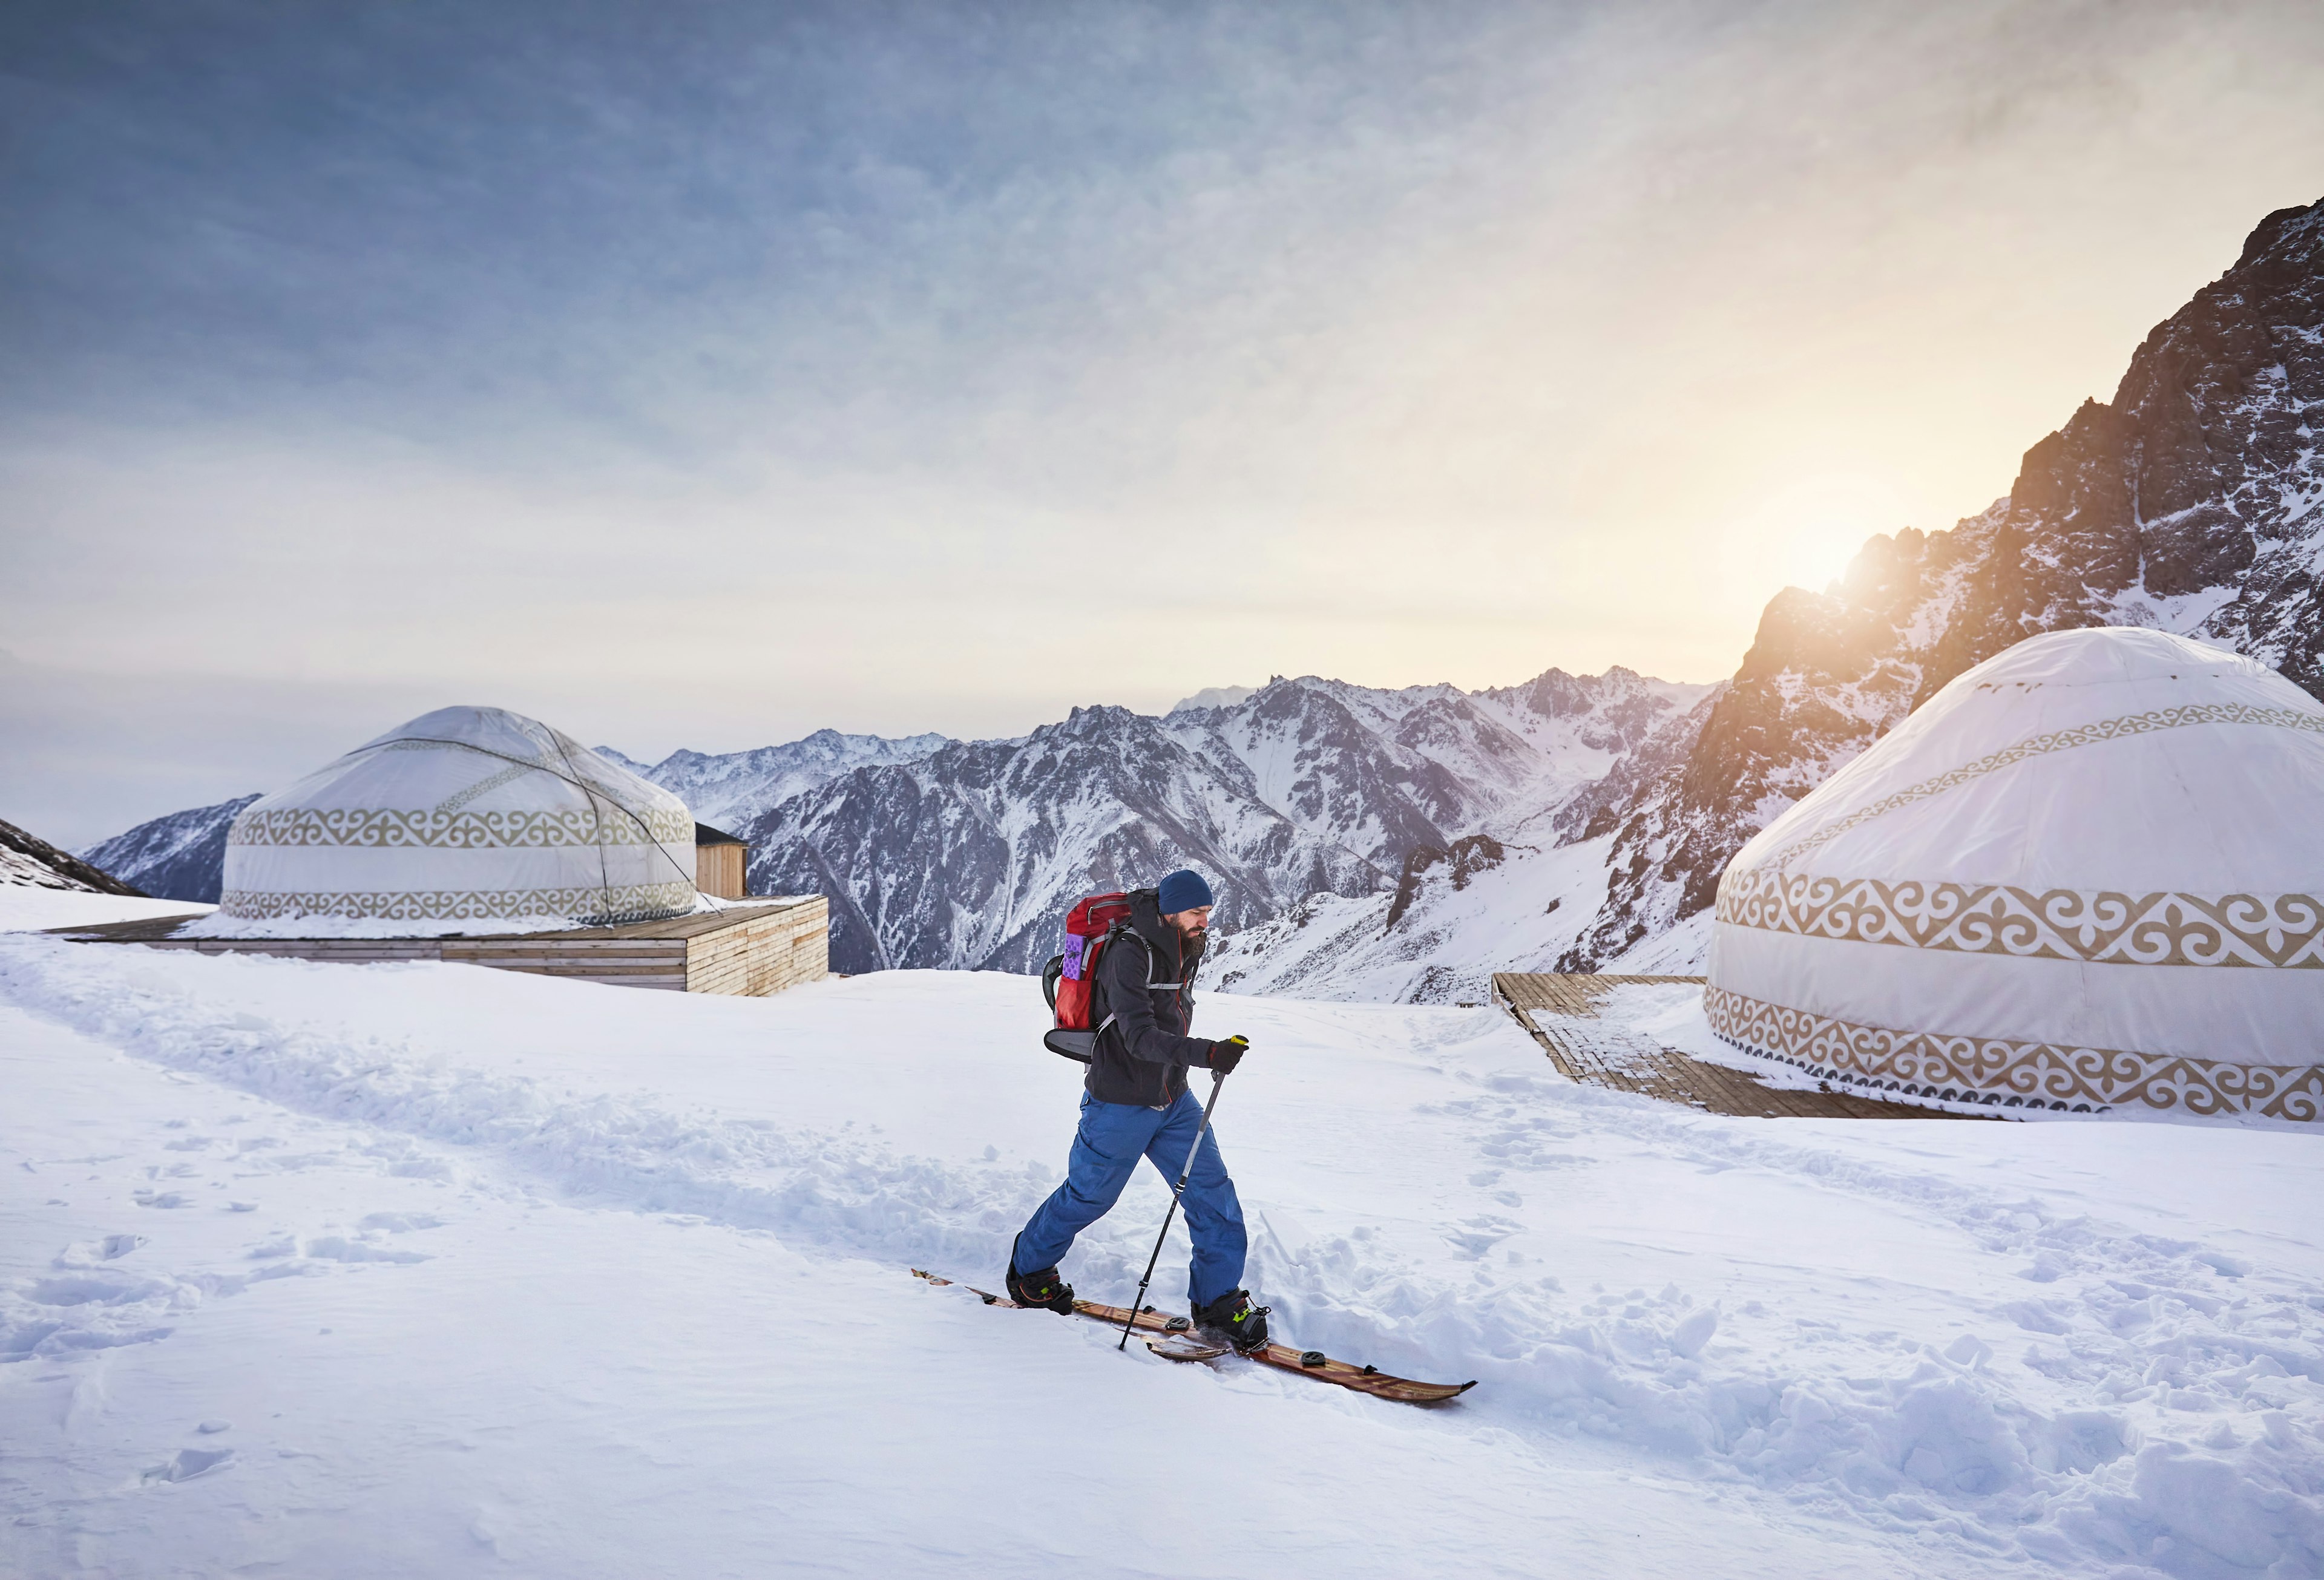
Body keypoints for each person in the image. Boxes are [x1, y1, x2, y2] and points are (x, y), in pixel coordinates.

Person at [1006, 868, 1269, 1352]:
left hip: (1173, 1099)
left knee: (1213, 1195)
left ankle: (1217, 1301)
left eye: (1208, 912)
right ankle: (1028, 1270)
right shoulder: (1129, 953)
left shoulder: (1182, 944)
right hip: (1119, 1102)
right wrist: (1208, 1053)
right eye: (1196, 913)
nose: (1204, 922)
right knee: (1089, 1196)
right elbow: (1139, 1037)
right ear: (1170, 910)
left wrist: (1193, 1061)